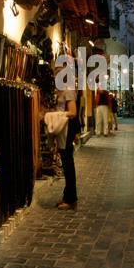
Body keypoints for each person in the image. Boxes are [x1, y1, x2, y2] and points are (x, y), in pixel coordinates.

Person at [54, 72, 78, 210]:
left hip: (67, 129)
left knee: (68, 164)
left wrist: (55, 114)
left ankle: (72, 199)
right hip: (64, 129)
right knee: (66, 163)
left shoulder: (69, 91)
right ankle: (67, 196)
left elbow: (72, 112)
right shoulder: (63, 90)